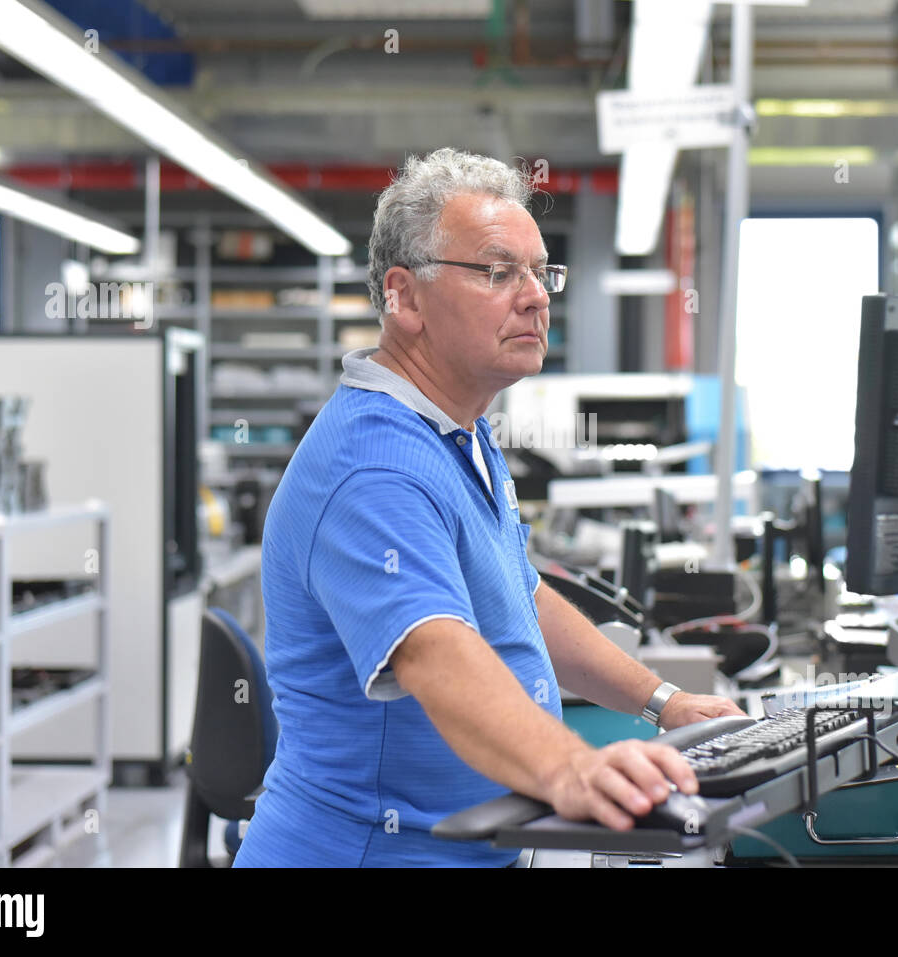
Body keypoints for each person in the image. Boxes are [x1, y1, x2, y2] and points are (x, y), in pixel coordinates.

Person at [233, 148, 746, 868]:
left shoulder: (457, 429)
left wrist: (662, 699)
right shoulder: (372, 468)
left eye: (541, 272)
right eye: (500, 272)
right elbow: (434, 654)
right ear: (404, 297)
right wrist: (570, 766)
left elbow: (519, 595)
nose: (536, 295)